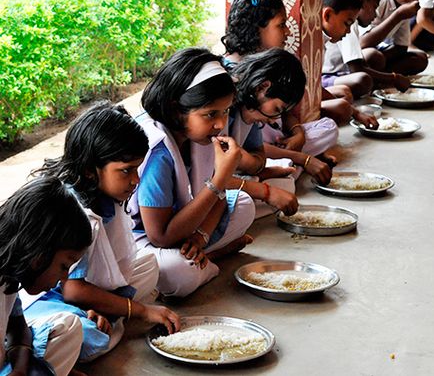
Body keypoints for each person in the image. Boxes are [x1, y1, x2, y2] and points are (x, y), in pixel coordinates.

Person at [24, 102, 180, 362]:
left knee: (149, 265)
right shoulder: (78, 213)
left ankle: (107, 314)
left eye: (136, 168)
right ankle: (106, 319)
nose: (135, 180)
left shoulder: (105, 194)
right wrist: (140, 311)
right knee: (87, 335)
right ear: (89, 169)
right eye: (126, 170)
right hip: (49, 296)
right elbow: (71, 290)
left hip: (82, 289)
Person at [130, 48, 256, 298]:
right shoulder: (157, 150)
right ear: (177, 110)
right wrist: (219, 179)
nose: (221, 124)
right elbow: (160, 236)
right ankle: (211, 257)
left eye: (226, 111)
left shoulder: (201, 137)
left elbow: (219, 200)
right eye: (211, 114)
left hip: (186, 225)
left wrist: (200, 237)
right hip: (143, 239)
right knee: (179, 273)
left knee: (244, 204)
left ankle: (201, 254)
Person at [221, 0, 339, 174]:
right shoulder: (233, 78)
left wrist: (298, 132)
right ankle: (290, 162)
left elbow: (283, 113)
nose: (288, 31)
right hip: (251, 148)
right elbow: (234, 145)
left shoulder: (272, 66)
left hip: (267, 143)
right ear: (256, 29)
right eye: (281, 25)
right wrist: (302, 157)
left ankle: (287, 163)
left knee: (328, 127)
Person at [1, 177, 92, 376]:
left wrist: (20, 370)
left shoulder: (8, 278)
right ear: (38, 257)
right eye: (63, 266)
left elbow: (18, 330)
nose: (64, 277)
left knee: (70, 329)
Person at [230, 48, 334, 185]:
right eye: (276, 109)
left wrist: (253, 165)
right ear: (262, 87)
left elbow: (258, 153)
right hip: (215, 181)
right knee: (248, 201)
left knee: (286, 183)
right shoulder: (227, 108)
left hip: (239, 170)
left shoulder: (251, 115)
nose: (273, 120)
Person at [323, 0, 412, 100]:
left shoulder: (347, 22)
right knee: (363, 80)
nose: (375, 14)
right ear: (362, 0)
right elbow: (356, 69)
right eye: (374, 6)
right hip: (328, 76)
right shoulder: (346, 22)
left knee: (373, 59)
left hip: (342, 72)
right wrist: (393, 78)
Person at [321, 0, 380, 129]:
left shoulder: (322, 41)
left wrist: (356, 113)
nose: (348, 31)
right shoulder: (310, 42)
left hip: (311, 90)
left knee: (344, 94)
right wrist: (355, 112)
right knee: (343, 108)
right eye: (346, 24)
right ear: (327, 15)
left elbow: (313, 88)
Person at [359, 0, 429, 75]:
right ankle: (379, 76)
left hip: (379, 52)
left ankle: (380, 75)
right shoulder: (379, 1)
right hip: (359, 54)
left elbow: (401, 47)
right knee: (373, 56)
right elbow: (362, 43)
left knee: (421, 59)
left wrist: (385, 57)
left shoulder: (404, 5)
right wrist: (398, 15)